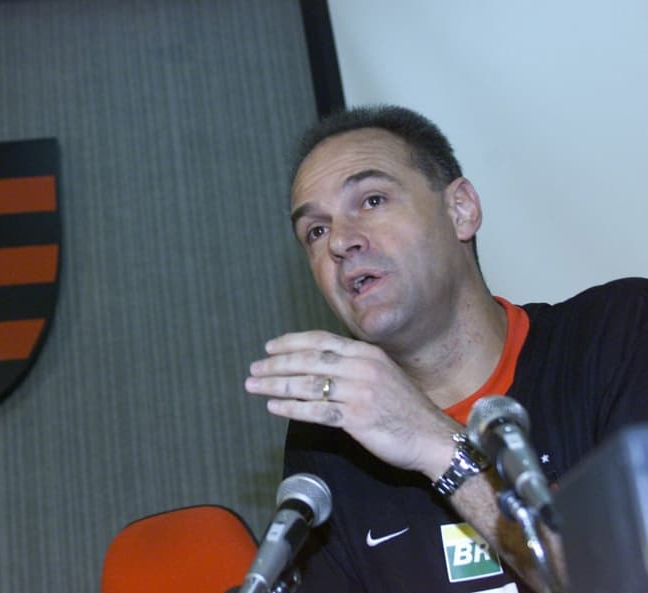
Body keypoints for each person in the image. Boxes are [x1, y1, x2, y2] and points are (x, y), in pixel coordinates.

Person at [244, 105, 647, 593]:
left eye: (371, 200)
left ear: (461, 210)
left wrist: (436, 445)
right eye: (316, 230)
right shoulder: (329, 441)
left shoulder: (618, 330)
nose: (341, 242)